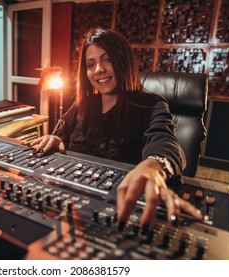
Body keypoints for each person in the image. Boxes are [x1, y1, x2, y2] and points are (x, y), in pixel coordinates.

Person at [24, 27, 203, 233]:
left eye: (107, 59)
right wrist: (54, 138)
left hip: (121, 212)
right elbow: (60, 135)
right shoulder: (81, 106)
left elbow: (165, 141)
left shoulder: (152, 104)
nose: (98, 69)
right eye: (90, 64)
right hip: (71, 205)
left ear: (123, 61)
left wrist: (155, 165)